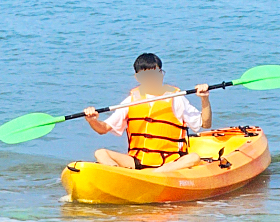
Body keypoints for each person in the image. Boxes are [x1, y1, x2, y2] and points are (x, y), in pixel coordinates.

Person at [83, 53, 211, 171]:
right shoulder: (131, 101)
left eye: (155, 74)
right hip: (137, 161)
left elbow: (205, 124)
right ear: (138, 77)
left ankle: (155, 174)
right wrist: (92, 120)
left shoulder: (176, 98)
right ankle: (116, 174)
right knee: (100, 153)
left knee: (193, 157)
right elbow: (103, 129)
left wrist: (204, 99)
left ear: (161, 74)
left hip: (170, 162)